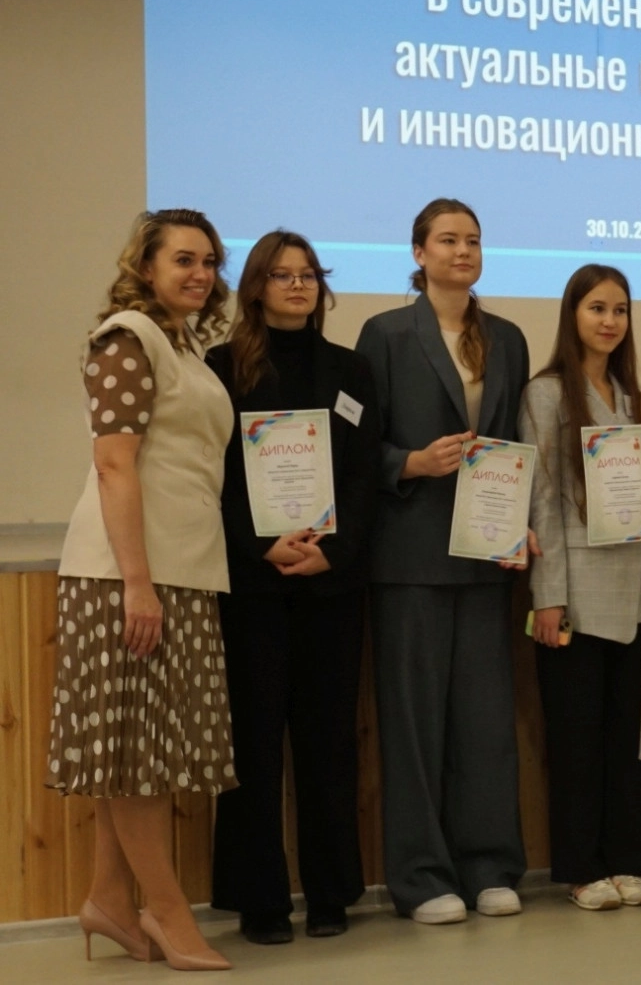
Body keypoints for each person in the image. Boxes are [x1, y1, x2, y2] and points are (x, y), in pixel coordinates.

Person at [49, 209, 236, 971]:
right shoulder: (127, 337)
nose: (201, 273)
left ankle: (108, 899)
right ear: (146, 266)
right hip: (127, 574)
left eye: (209, 262)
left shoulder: (182, 344)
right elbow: (114, 463)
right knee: (137, 762)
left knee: (134, 753)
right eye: (184, 259)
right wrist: (137, 584)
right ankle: (165, 911)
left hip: (178, 569)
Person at [355, 198, 533, 925]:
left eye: (474, 240)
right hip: (411, 556)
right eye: (449, 240)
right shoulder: (386, 334)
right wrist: (412, 463)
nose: (464, 251)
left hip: (487, 556)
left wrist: (521, 526)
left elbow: (516, 443)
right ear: (419, 252)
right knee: (415, 727)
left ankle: (490, 867)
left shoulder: (508, 338)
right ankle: (423, 877)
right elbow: (359, 447)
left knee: (486, 726)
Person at [206, 231, 379, 944]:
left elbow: (364, 475)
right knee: (254, 746)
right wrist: (260, 545)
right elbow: (212, 476)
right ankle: (261, 900)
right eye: (282, 275)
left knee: (328, 743)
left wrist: (333, 552)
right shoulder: (222, 369)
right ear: (256, 287)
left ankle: (331, 893)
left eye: (308, 274)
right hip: (253, 586)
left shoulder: (351, 370)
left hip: (329, 587)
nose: (299, 285)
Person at [520, 265, 641, 911]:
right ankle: (582, 870)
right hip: (575, 593)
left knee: (632, 735)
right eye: (597, 308)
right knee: (577, 738)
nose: (610, 321)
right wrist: (548, 595)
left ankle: (627, 862)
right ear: (572, 315)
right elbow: (541, 500)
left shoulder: (632, 396)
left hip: (637, 586)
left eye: (620, 310)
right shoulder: (547, 393)